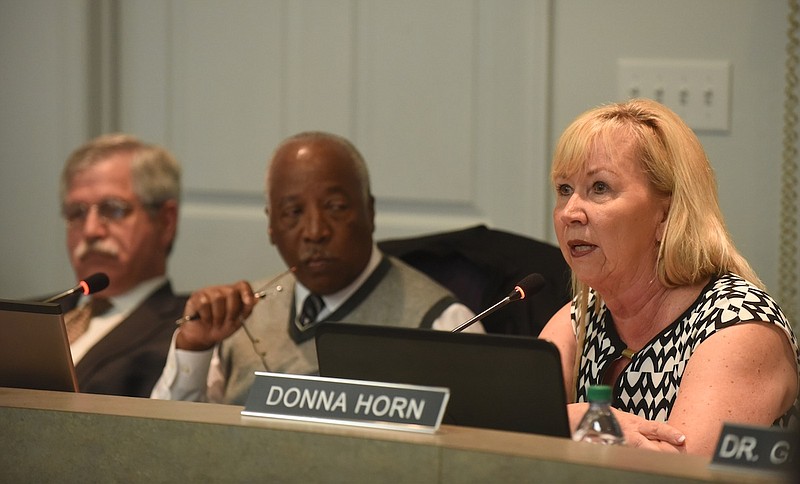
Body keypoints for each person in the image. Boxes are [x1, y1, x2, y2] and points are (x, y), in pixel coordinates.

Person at [539, 98, 799, 456]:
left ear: (667, 214)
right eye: (564, 189)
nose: (570, 213)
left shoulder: (738, 328)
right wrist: (574, 420)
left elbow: (681, 471)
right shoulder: (578, 320)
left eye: (600, 188)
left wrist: (574, 422)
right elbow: (502, 432)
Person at [151, 131, 481, 405]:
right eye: (293, 213)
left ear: (370, 211)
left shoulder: (442, 323)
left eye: (335, 208)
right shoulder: (236, 320)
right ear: (271, 227)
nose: (314, 231)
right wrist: (194, 348)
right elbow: (164, 446)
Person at [54, 133, 186, 397]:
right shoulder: (25, 316)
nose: (90, 230)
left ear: (166, 222)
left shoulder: (189, 330)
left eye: (113, 209)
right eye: (77, 213)